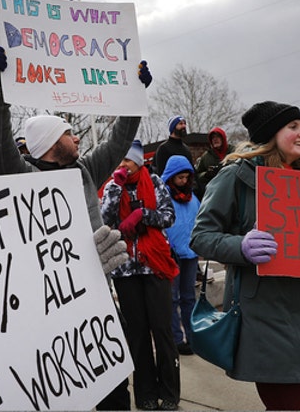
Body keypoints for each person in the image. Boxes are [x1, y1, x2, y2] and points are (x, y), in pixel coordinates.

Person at [0, 45, 148, 410]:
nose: (77, 138)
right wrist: (0, 88)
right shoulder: (20, 178)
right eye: (69, 133)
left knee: (115, 390)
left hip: (97, 297)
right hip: (50, 307)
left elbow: (120, 138)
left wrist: (134, 94)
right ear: (49, 143)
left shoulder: (85, 170)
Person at [190, 101, 300, 410]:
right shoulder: (234, 175)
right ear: (271, 134)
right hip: (264, 316)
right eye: (293, 127)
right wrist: (241, 247)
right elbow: (201, 236)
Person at [101, 140, 180, 411]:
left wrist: (141, 215)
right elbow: (105, 220)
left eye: (128, 160)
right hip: (125, 269)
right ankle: (145, 393)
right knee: (137, 334)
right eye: (120, 161)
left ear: (138, 161)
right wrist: (116, 187)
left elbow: (168, 217)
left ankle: (169, 392)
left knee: (162, 329)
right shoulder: (112, 185)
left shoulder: (155, 181)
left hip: (155, 265)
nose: (123, 165)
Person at [160, 155, 200, 356]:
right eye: (179, 178)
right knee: (172, 299)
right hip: (171, 254)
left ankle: (193, 338)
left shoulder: (194, 199)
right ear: (171, 177)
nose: (183, 181)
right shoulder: (162, 196)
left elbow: (200, 222)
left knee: (188, 298)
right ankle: (177, 339)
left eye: (186, 177)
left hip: (190, 254)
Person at [194, 127, 234, 200]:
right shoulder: (206, 156)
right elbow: (197, 175)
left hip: (233, 189)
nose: (215, 139)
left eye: (218, 137)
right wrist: (207, 174)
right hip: (214, 193)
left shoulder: (234, 152)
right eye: (213, 138)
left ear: (223, 138)